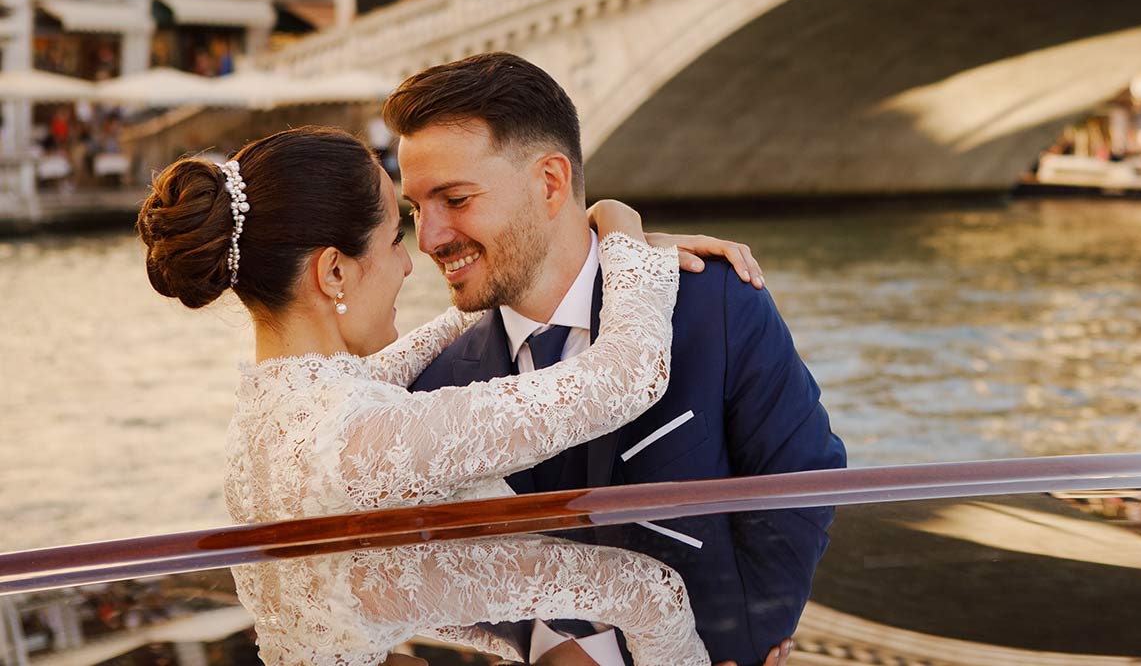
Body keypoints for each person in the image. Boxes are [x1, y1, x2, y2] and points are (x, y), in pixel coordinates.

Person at [135, 125, 765, 665]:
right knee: (647, 588)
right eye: (392, 241)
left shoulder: (269, 419)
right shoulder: (358, 439)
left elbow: (389, 588)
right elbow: (624, 380)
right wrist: (622, 230)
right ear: (333, 272)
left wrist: (587, 261)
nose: (411, 264)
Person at [395, 53, 846, 666]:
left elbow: (803, 478)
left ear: (550, 183)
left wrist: (751, 635)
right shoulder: (431, 384)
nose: (429, 237)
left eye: (454, 198)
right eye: (416, 208)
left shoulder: (713, 302)